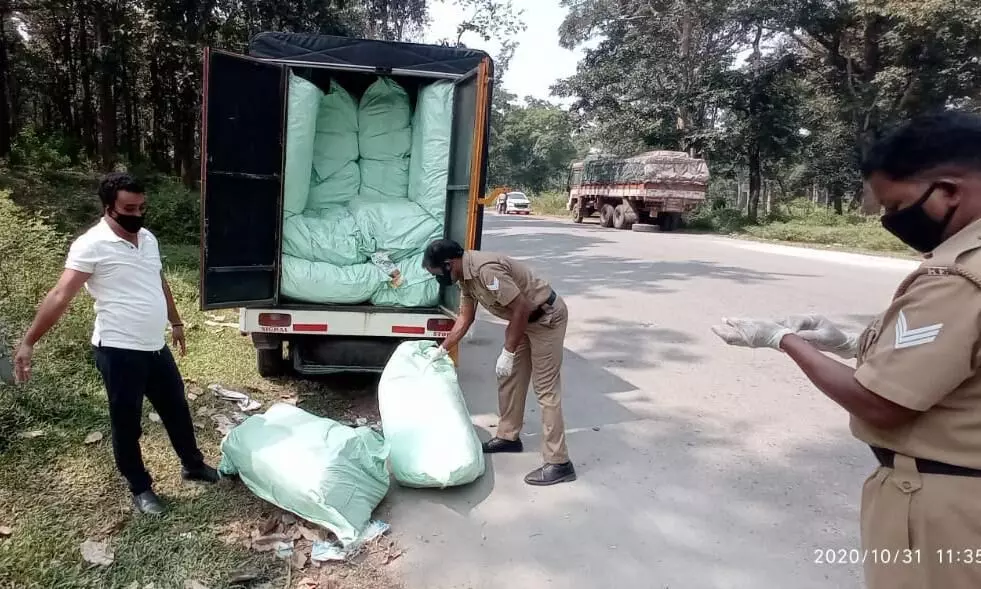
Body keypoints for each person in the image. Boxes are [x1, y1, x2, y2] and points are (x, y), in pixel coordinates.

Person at [712, 111, 981, 589]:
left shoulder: (958, 278)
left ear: (949, 190)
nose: (889, 221)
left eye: (895, 205)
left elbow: (880, 403)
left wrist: (781, 339)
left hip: (947, 503)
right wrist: (849, 341)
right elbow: (952, 359)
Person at [13, 172, 219, 516]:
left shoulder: (148, 239)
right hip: (119, 350)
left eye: (141, 208)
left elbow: (158, 280)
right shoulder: (90, 244)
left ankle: (192, 464)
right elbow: (61, 295)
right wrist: (28, 341)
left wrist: (176, 320)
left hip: (155, 347)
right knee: (126, 421)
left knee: (176, 408)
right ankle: (140, 487)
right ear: (109, 207)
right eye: (129, 208)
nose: (137, 215)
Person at [423, 238, 576, 486]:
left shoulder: (485, 270)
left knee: (546, 389)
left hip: (546, 319)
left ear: (449, 264)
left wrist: (508, 350)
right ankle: (508, 436)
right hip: (525, 320)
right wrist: (442, 349)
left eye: (437, 273)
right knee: (510, 377)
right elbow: (465, 317)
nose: (437, 278)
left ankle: (559, 463)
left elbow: (521, 306)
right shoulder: (466, 278)